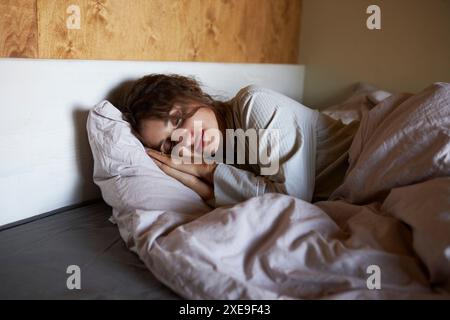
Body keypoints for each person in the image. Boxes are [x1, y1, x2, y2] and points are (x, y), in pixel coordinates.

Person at [122, 74, 359, 207]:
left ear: (193, 92)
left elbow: (292, 201)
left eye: (177, 119)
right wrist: (205, 188)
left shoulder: (253, 103)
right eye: (170, 145)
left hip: (369, 149)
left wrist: (208, 174)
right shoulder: (217, 156)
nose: (184, 140)